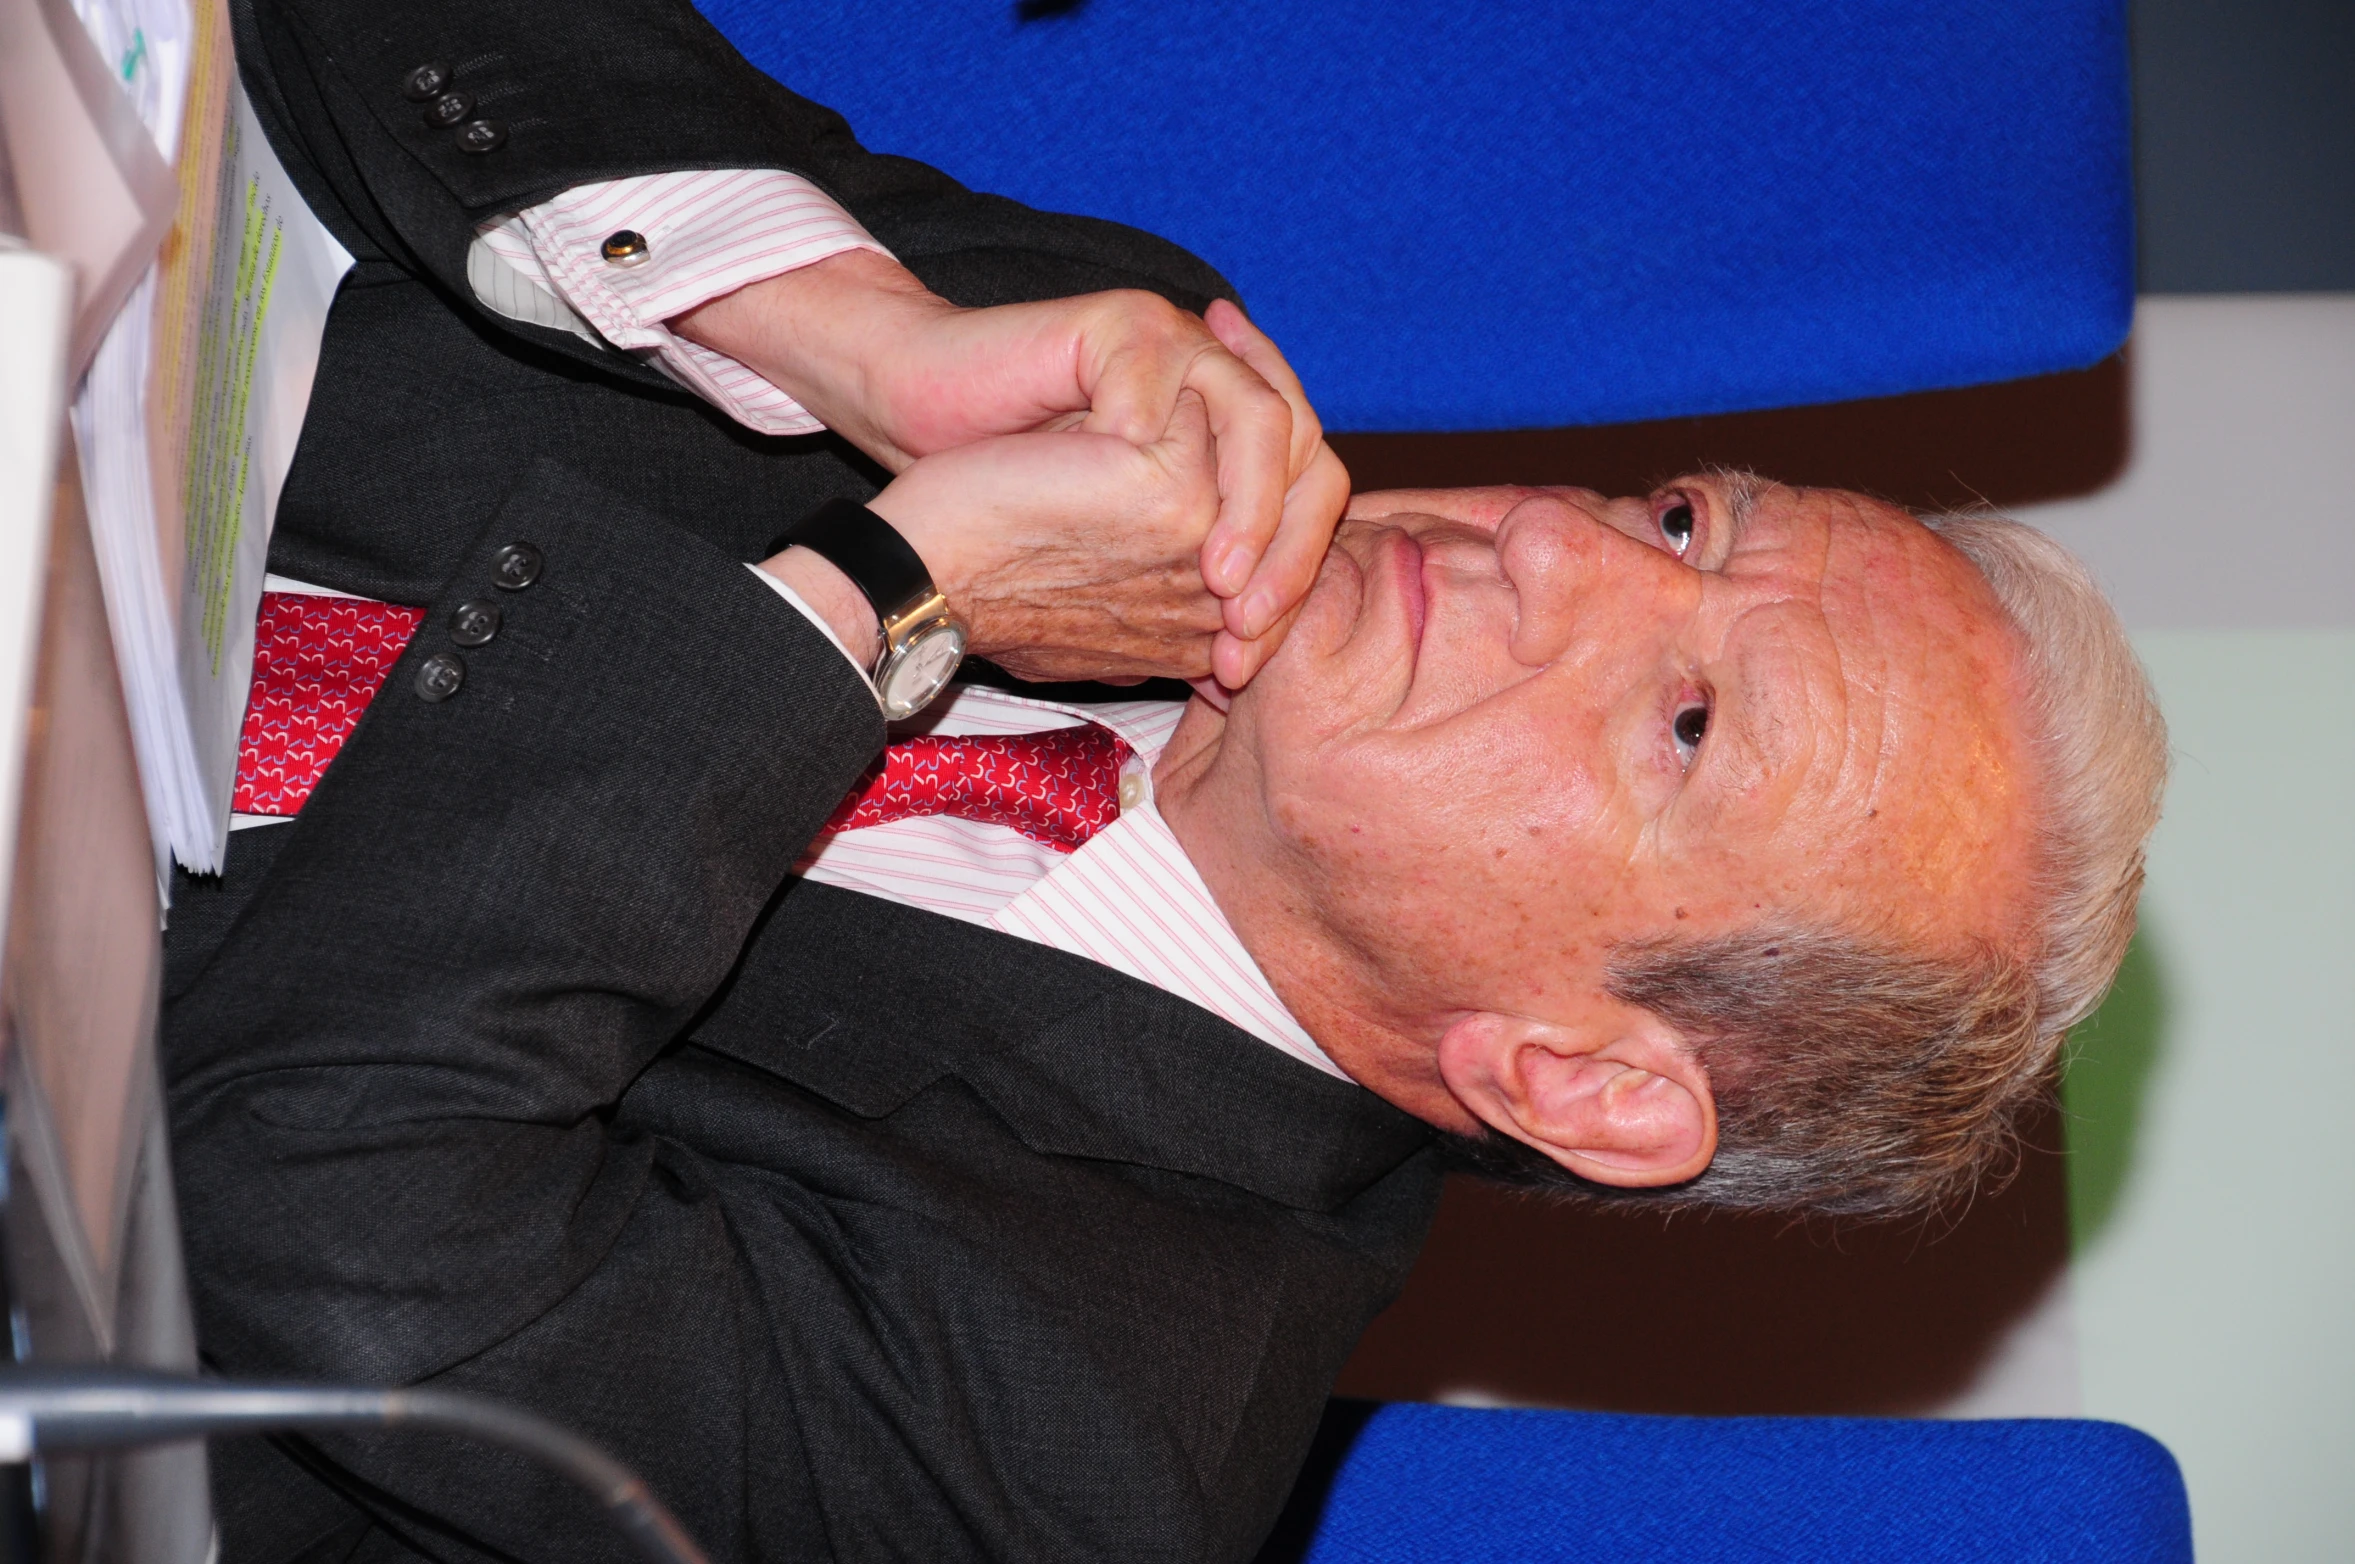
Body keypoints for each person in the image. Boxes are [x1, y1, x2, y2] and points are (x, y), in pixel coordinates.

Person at [167, 1, 2167, 1561]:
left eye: (1687, 722)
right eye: (1678, 515)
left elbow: (309, 1189)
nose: (1555, 544)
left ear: (1585, 1075)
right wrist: (841, 330)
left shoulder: (1077, 1446)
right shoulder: (1138, 371)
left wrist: (874, 586)